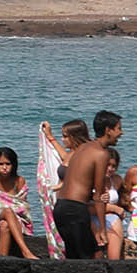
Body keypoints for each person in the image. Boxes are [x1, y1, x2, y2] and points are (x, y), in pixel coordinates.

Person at [53, 111, 123, 260]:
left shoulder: (82, 148)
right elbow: (98, 195)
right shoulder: (101, 153)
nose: (121, 133)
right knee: (92, 259)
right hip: (75, 210)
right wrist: (102, 229)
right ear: (108, 130)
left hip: (60, 208)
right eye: (118, 128)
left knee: (75, 259)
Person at [0, 146, 37, 258]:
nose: (4, 167)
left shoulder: (19, 181)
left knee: (5, 225)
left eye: (8, 164)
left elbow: (22, 207)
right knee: (7, 211)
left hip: (16, 220)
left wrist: (10, 212)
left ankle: (3, 261)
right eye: (1, 164)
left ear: (13, 164)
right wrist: (8, 210)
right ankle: (26, 251)